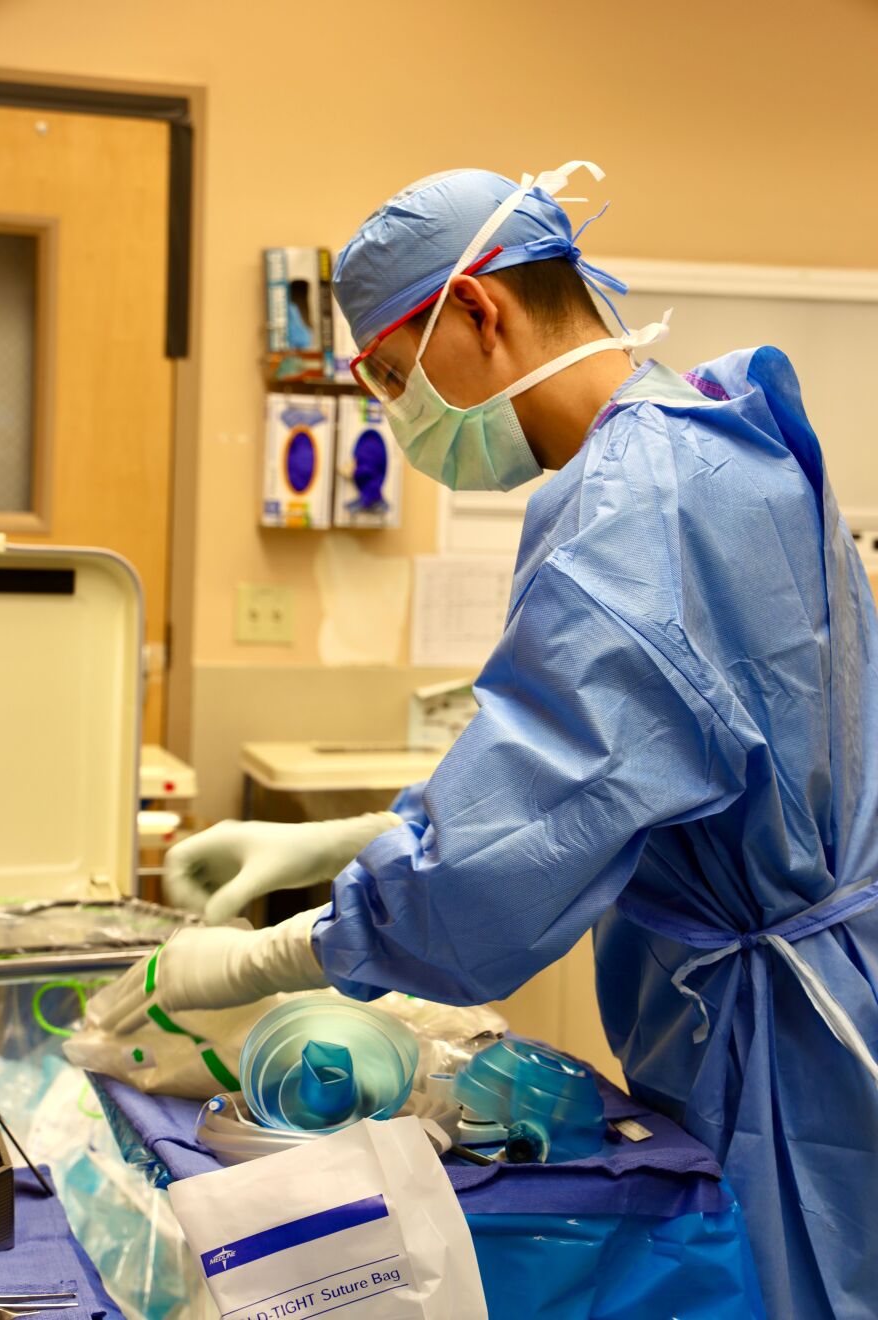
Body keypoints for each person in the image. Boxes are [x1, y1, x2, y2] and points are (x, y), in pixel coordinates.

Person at [96, 161, 878, 1319]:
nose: (400, 420)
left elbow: (494, 867)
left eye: (396, 379)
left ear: (479, 308)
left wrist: (254, 961)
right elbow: (650, 771)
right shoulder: (713, 442)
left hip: (773, 1047)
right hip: (808, 992)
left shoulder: (633, 502)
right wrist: (333, 842)